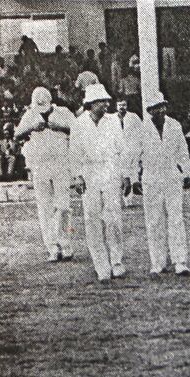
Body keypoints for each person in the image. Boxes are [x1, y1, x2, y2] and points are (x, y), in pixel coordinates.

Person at [70, 84, 132, 283]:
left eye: (106, 101)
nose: (106, 105)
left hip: (110, 170)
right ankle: (101, 265)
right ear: (90, 104)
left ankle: (116, 262)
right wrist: (77, 176)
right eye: (101, 102)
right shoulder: (79, 124)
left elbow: (122, 150)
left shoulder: (113, 121)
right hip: (89, 173)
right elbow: (74, 153)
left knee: (113, 218)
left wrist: (125, 174)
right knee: (92, 219)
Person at [133, 92, 190, 276]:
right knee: (154, 220)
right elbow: (133, 156)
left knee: (176, 218)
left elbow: (183, 151)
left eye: (163, 106)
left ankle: (180, 261)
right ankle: (158, 262)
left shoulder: (174, 126)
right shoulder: (142, 130)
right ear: (150, 110)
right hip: (151, 178)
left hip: (171, 176)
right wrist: (134, 178)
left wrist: (186, 173)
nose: (161, 110)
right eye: (157, 107)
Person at [15, 87, 77, 262]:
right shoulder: (30, 114)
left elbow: (79, 131)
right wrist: (31, 127)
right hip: (40, 166)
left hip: (61, 164)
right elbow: (16, 134)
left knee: (63, 205)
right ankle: (52, 247)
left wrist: (61, 127)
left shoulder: (63, 112)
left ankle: (65, 245)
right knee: (45, 207)